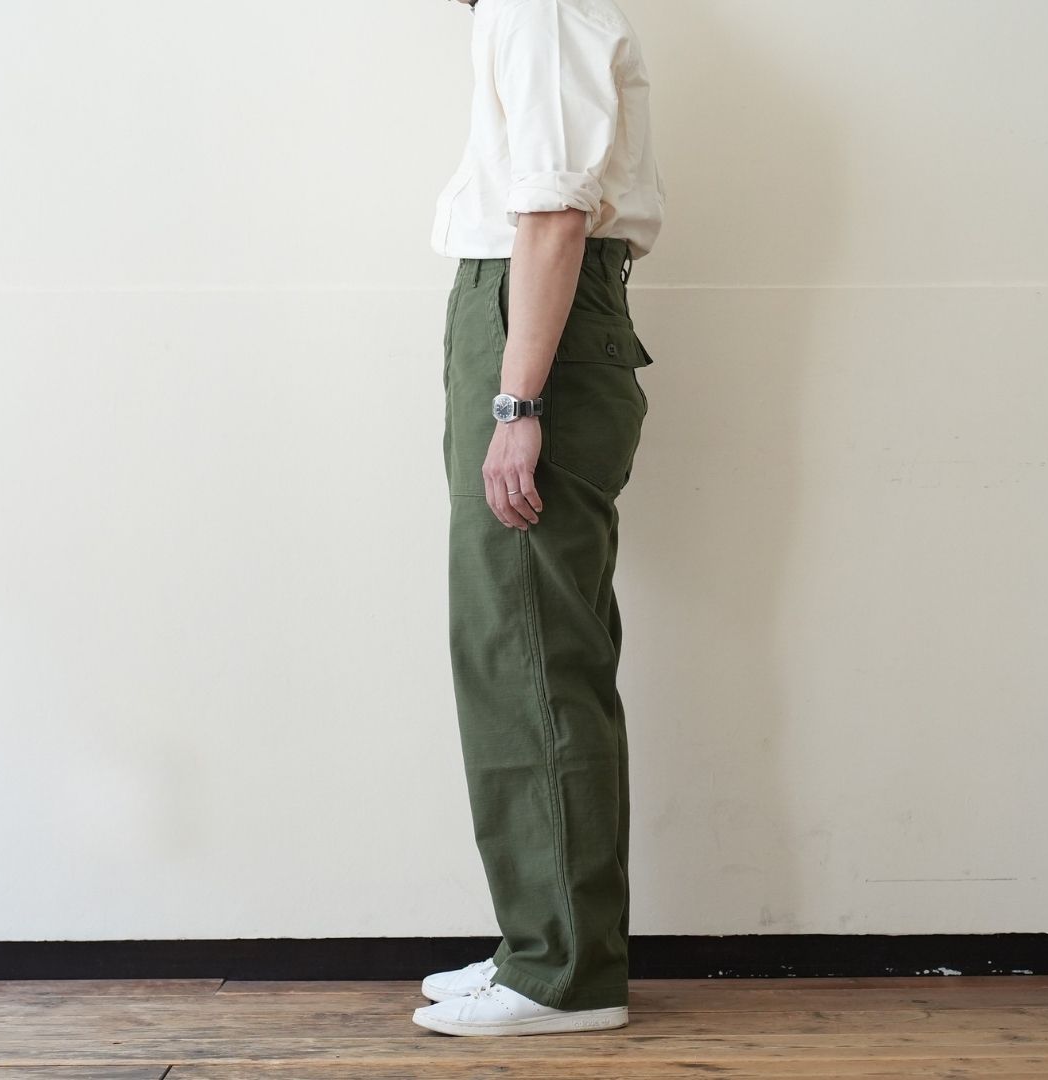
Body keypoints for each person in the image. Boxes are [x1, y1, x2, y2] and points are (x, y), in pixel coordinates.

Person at [413, 0, 665, 1037]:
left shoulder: (539, 7)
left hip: (534, 327)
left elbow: (556, 216)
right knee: (524, 649)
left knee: (529, 656)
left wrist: (517, 403)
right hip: (518, 312)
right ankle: (548, 941)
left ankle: (563, 973)